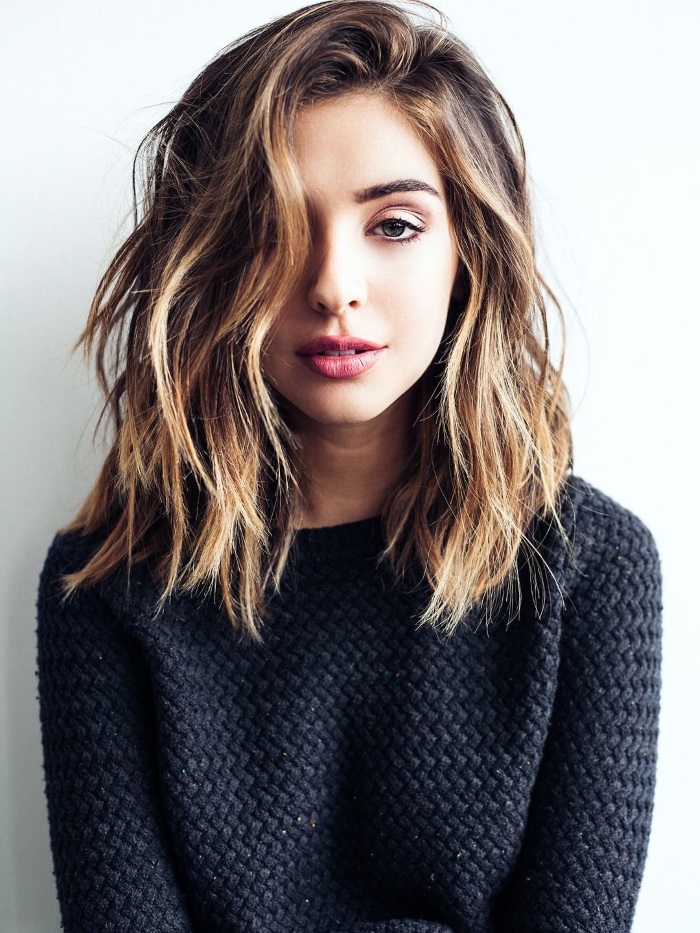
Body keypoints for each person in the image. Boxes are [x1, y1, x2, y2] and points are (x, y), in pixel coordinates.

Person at [36, 1, 662, 931]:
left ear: (469, 254)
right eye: (274, 225)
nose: (333, 282)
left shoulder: (591, 568)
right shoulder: (107, 585)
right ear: (209, 262)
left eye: (396, 225)